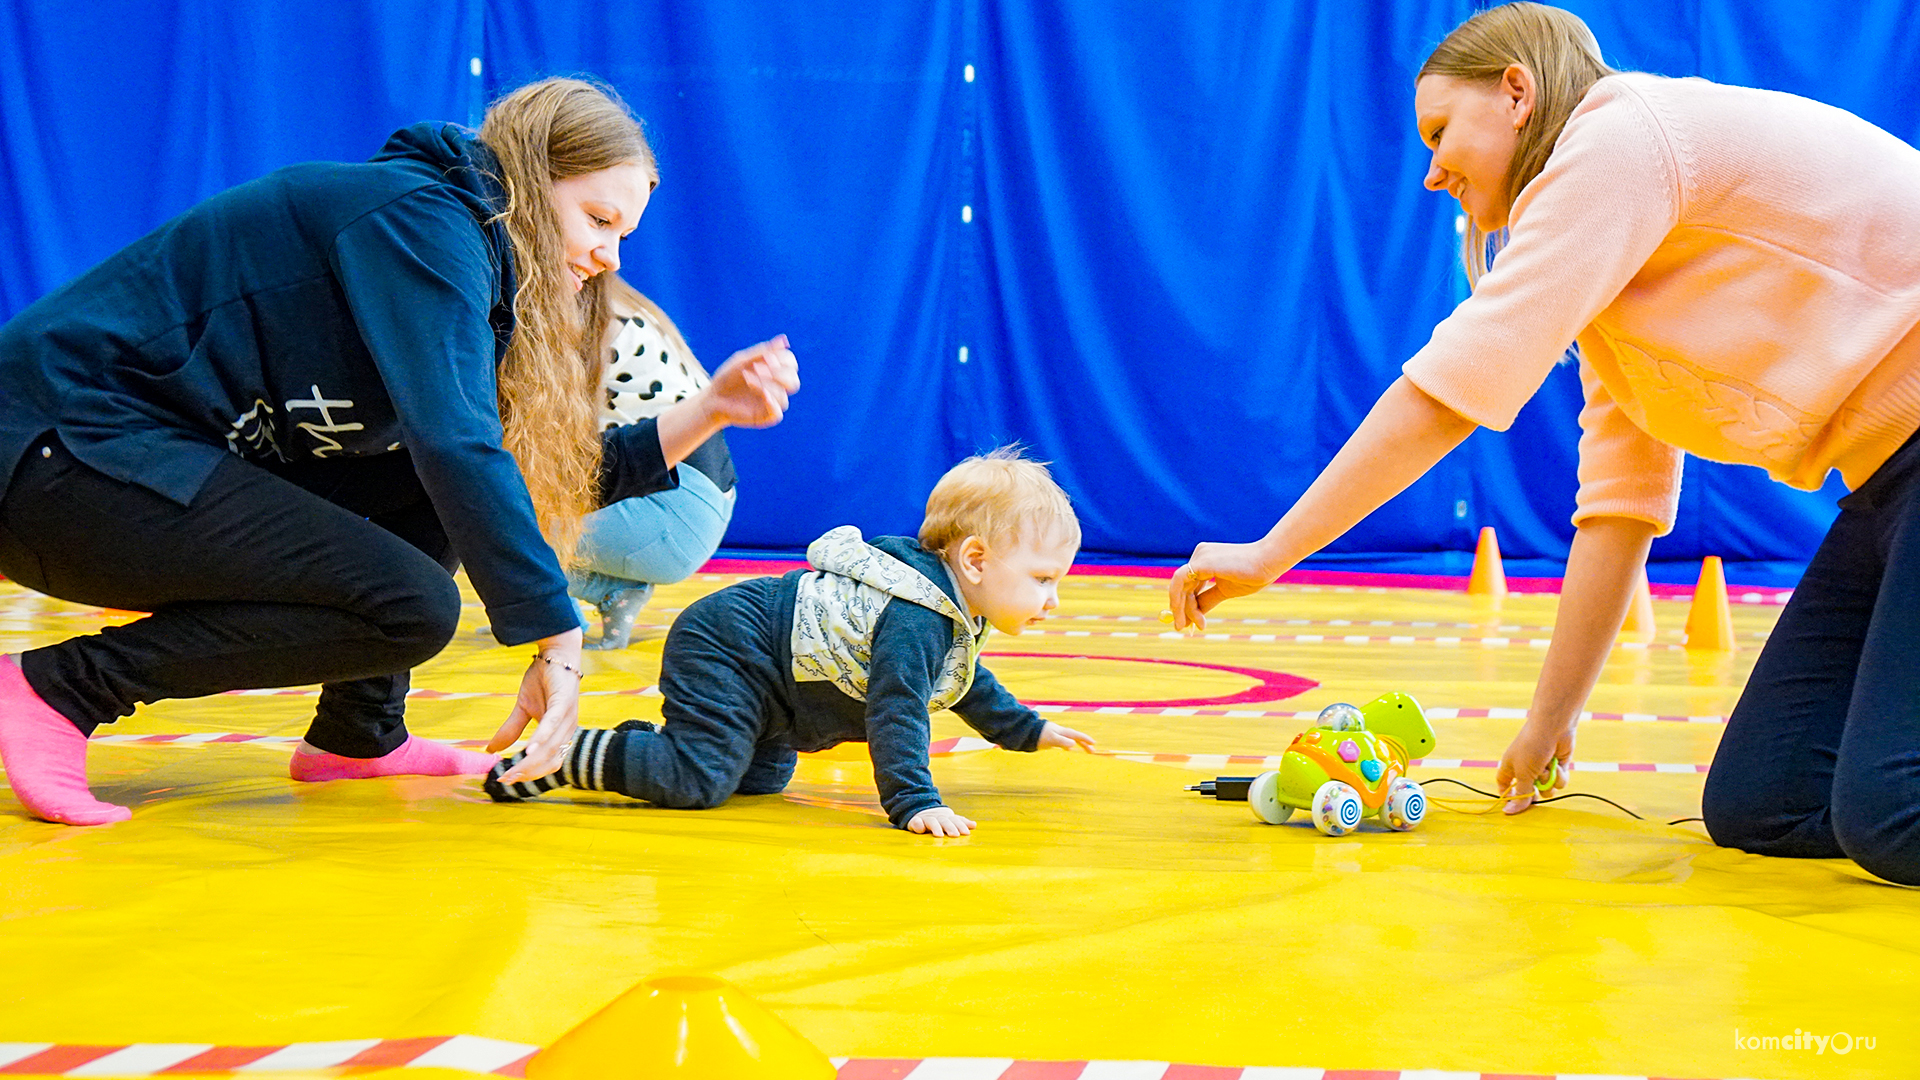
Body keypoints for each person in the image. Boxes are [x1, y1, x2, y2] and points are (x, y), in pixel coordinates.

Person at [1167, 3, 1920, 885]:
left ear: (1516, 93)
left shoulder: (1620, 138)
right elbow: (1621, 506)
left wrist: (1272, 552)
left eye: (1441, 131)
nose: (1431, 171)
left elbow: (1453, 389)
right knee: (1766, 801)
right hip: (1886, 485)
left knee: (1890, 812)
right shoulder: (1618, 268)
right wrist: (1550, 719)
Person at [0, 76, 800, 827]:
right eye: (598, 220)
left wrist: (710, 409)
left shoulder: (474, 270)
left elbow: (515, 475)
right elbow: (458, 445)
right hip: (55, 453)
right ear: (527, 178)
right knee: (413, 602)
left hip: (116, 462)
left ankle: (358, 732)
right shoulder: (420, 219)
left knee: (432, 500)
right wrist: (555, 639)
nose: (611, 258)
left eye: (622, 234)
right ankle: (62, 690)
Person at [485, 448, 1098, 836]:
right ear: (976, 559)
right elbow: (899, 711)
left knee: (754, 781)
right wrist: (915, 801)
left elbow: (961, 683)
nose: (1052, 597)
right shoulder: (920, 616)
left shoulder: (951, 614)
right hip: (731, 646)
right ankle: (566, 755)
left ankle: (648, 748)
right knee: (699, 780)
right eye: (1043, 579)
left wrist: (1028, 729)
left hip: (778, 691)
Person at [570, 276, 739, 650]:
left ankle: (593, 595)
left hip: (675, 509)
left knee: (485, 514)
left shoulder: (593, 320)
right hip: (697, 505)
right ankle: (589, 598)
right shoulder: (623, 306)